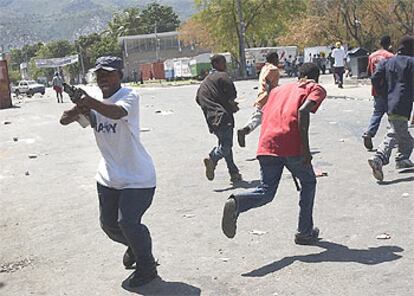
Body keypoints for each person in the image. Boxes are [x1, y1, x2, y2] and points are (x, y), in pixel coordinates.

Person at [59, 56, 158, 287]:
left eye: (109, 73)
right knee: (109, 225)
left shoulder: (129, 96)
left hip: (138, 177)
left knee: (128, 223)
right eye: (99, 74)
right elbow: (64, 120)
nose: (103, 78)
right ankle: (136, 247)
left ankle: (147, 267)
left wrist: (90, 102)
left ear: (120, 75)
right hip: (108, 176)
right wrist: (79, 107)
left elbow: (115, 113)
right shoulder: (92, 99)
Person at [221, 63, 326, 244]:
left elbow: (262, 113)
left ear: (298, 75)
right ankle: (304, 231)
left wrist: (247, 129)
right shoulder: (315, 87)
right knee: (308, 182)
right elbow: (303, 111)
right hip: (291, 146)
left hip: (267, 144)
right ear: (316, 77)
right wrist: (306, 150)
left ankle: (237, 202)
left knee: (267, 191)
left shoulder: (278, 90)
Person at [368, 36, 414, 181]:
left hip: (389, 102)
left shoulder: (386, 62)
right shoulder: (411, 63)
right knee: (395, 132)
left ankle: (402, 160)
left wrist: (384, 92)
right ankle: (379, 158)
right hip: (403, 104)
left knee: (405, 138)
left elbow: (374, 78)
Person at [196, 54, 242, 184]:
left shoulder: (205, 82)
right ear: (216, 64)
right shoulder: (223, 76)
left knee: (224, 144)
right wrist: (231, 106)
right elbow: (232, 95)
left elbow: (198, 99)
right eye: (223, 63)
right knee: (226, 146)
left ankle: (234, 173)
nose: (225, 65)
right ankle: (212, 158)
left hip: (211, 119)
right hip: (223, 117)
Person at [237, 52, 280, 147]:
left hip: (261, 97)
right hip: (269, 98)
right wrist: (271, 95)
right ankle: (273, 142)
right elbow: (268, 83)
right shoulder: (273, 69)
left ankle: (246, 129)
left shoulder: (264, 68)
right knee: (275, 120)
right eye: (277, 59)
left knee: (258, 118)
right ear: (274, 59)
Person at [362, 36, 394, 150]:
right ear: (389, 43)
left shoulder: (372, 56)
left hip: (376, 90)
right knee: (393, 114)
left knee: (377, 112)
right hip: (388, 90)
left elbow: (369, 73)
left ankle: (369, 133)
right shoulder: (390, 56)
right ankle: (395, 137)